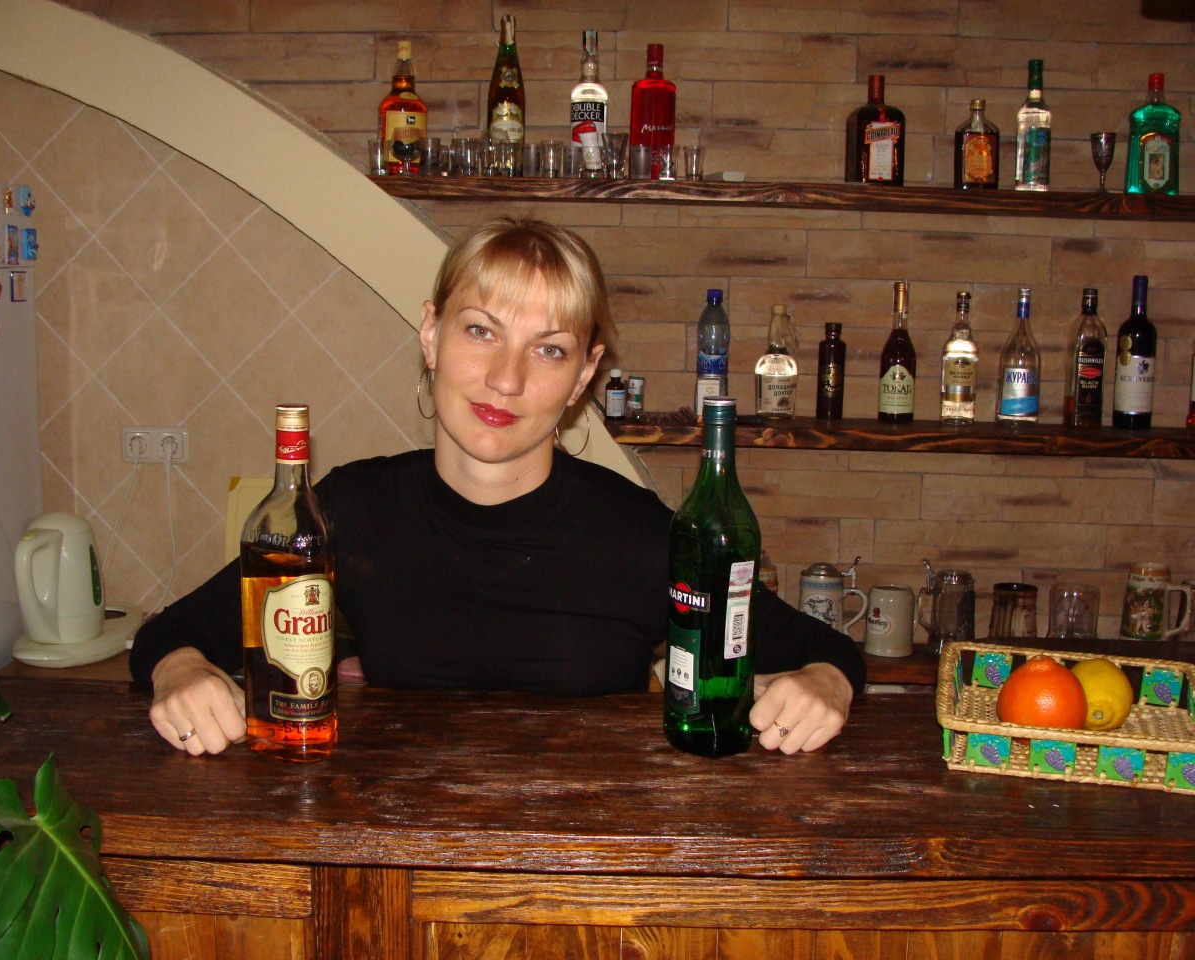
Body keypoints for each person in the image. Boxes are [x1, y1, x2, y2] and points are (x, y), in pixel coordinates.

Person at [129, 216, 865, 757]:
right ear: (431, 334)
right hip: (398, 863)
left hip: (582, 871)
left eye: (548, 350)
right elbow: (169, 635)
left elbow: (826, 652)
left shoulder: (640, 535)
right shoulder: (350, 509)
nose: (506, 379)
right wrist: (182, 674)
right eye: (481, 331)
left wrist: (825, 686)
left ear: (583, 376)